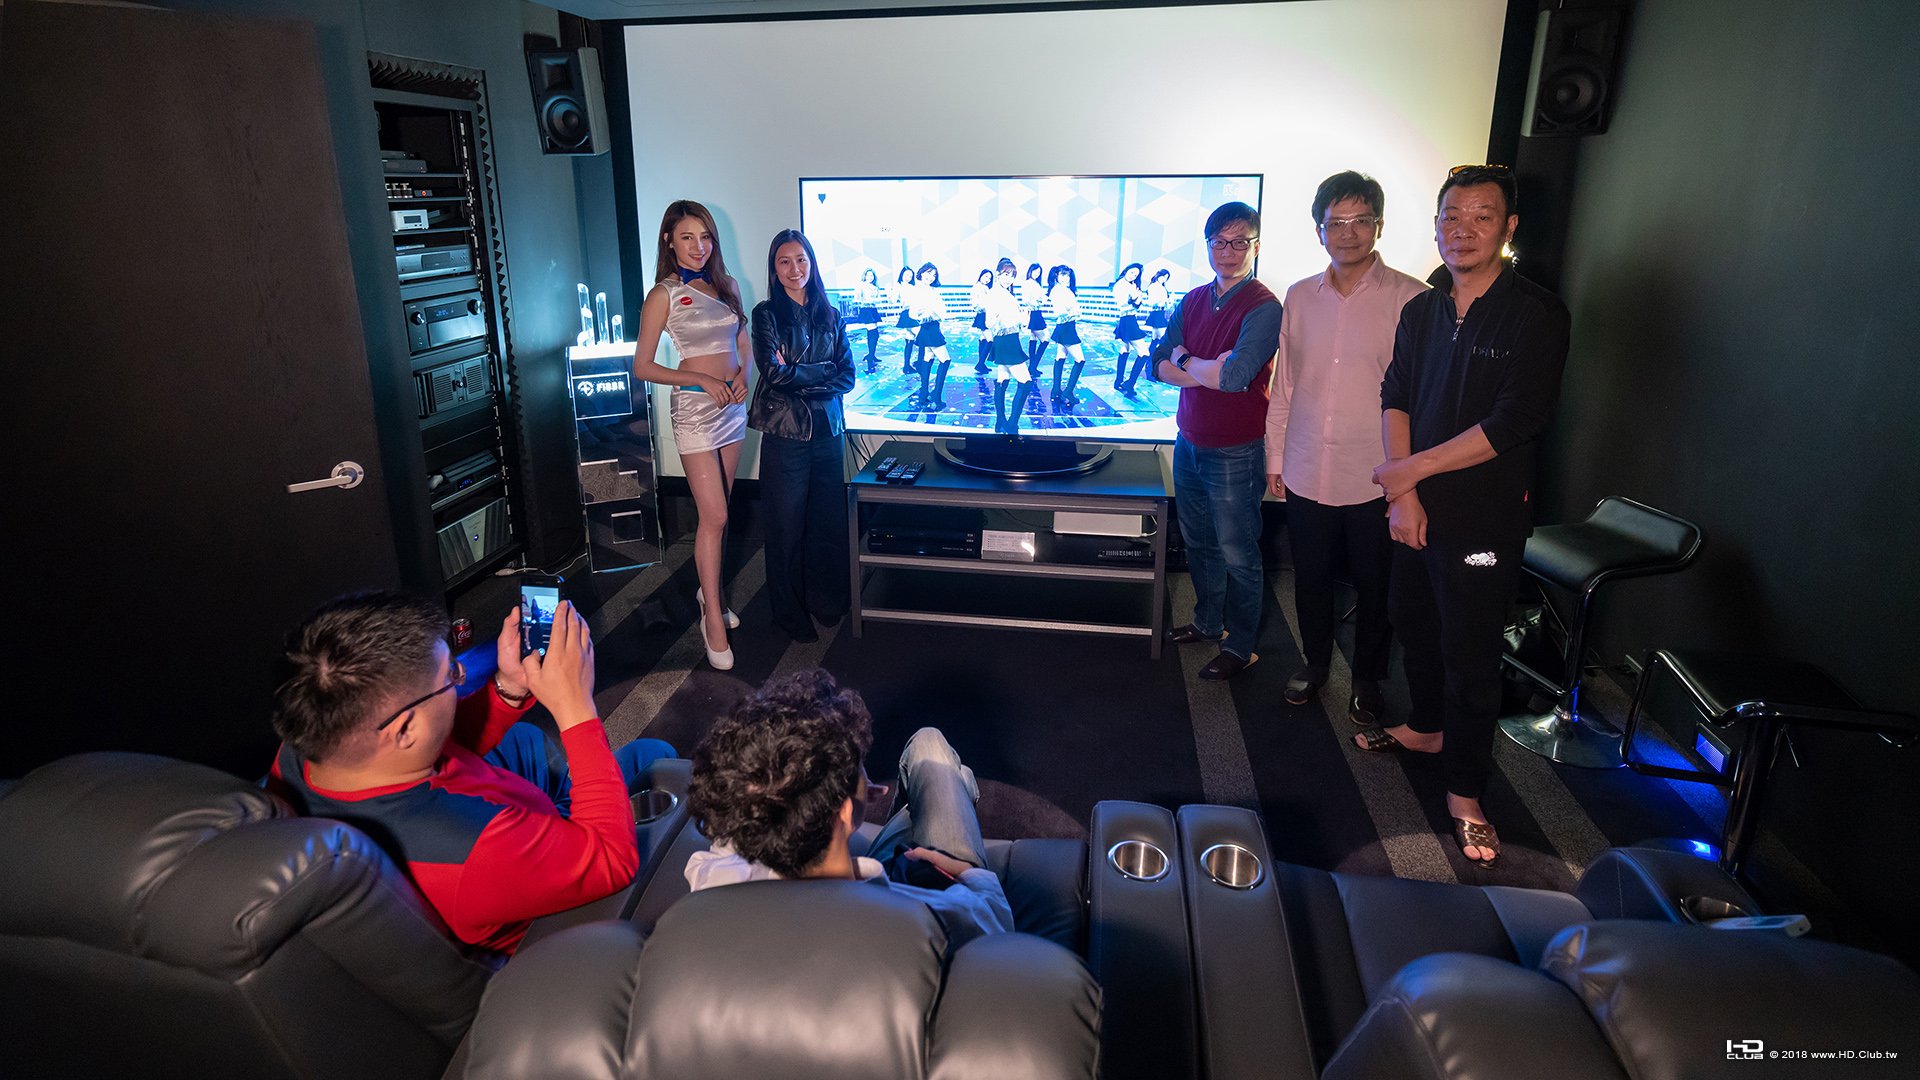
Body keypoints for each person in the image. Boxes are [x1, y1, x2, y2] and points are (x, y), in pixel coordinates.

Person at [1352, 165, 1570, 868]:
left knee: (1471, 655)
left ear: (1508, 227)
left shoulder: (1536, 312)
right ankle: (1426, 726)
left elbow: (1515, 421)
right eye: (1451, 216)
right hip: (1414, 507)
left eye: (1481, 217)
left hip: (1484, 518)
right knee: (1410, 619)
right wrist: (1404, 494)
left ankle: (1467, 792)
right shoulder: (1423, 309)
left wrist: (1408, 472)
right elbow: (1396, 395)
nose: (1463, 230)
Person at [265, 592, 675, 956]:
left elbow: (443, 737)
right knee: (655, 758)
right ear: (405, 730)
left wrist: (507, 688)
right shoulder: (472, 851)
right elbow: (613, 859)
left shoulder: (309, 749)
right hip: (545, 878)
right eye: (452, 676)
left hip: (512, 825)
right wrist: (576, 709)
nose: (461, 679)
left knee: (530, 740)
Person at [683, 669, 1013, 951]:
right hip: (921, 881)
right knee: (934, 751)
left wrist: (834, 790)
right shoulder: (925, 916)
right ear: (842, 813)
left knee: (929, 749)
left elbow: (727, 833)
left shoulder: (716, 879)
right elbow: (996, 923)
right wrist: (969, 873)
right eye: (859, 768)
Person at [1265, 171, 1428, 724]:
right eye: (1336, 222)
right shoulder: (1298, 296)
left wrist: (1409, 476)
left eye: (1360, 221)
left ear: (1379, 226)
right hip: (1307, 464)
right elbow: (1286, 384)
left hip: (1376, 473)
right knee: (1309, 577)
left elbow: (1420, 397)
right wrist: (1275, 456)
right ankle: (1314, 664)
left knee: (1376, 586)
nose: (1348, 232)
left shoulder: (1412, 298)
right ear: (1319, 230)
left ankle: (1367, 679)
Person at [1152, 201, 1283, 680]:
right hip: (1188, 440)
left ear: (1255, 246)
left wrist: (1185, 360)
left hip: (1236, 449)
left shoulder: (1265, 306)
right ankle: (1208, 623)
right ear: (1208, 245)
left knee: (1238, 553)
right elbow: (1156, 363)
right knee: (1200, 543)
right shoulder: (1191, 300)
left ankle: (1241, 646)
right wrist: (1202, 367)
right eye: (1219, 242)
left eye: (1239, 242)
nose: (1228, 251)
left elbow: (1236, 377)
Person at [632, 199, 751, 670]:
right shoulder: (662, 294)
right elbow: (643, 366)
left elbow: (741, 339)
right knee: (714, 515)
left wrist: (743, 374)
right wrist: (700, 378)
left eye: (705, 237)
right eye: (687, 237)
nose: (698, 246)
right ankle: (712, 618)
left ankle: (710, 592)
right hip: (697, 412)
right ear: (669, 240)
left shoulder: (728, 285)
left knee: (720, 513)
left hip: (732, 407)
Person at [749, 229, 856, 643]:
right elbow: (774, 374)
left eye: (801, 260)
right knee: (785, 528)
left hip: (828, 431)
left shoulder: (831, 313)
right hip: (786, 433)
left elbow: (847, 376)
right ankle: (789, 614)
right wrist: (822, 371)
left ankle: (827, 601)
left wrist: (800, 373)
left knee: (828, 522)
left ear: (811, 263)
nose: (795, 269)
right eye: (785, 262)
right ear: (774, 270)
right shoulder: (766, 315)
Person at [984, 258, 1034, 433]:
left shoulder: (1007, 294)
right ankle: (1012, 424)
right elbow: (989, 322)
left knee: (1002, 380)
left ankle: (1000, 422)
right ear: (997, 274)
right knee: (1026, 382)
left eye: (1012, 276)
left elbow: (1015, 319)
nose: (1009, 279)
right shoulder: (994, 294)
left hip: (1010, 339)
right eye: (1006, 274)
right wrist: (1002, 318)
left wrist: (1023, 320)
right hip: (1006, 341)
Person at [909, 262, 953, 411]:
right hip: (929, 328)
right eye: (928, 273)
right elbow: (913, 312)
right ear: (921, 273)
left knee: (928, 358)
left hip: (933, 326)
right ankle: (936, 395)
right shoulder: (918, 290)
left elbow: (941, 309)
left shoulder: (932, 290)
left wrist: (936, 313)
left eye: (934, 275)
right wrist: (926, 314)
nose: (931, 277)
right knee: (945, 360)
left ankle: (924, 394)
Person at [1046, 265, 1088, 407]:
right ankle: (1068, 391)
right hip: (1066, 327)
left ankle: (1056, 390)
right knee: (1080, 360)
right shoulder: (1057, 291)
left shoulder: (1063, 290)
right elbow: (1060, 312)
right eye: (1063, 275)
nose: (1066, 278)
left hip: (1066, 326)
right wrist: (1074, 313)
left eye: (1068, 275)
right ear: (1056, 275)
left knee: (1060, 356)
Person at [1110, 262, 1150, 393]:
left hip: (1128, 319)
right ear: (1126, 270)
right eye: (1132, 272)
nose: (1133, 276)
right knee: (1144, 353)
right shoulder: (1120, 285)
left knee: (1124, 350)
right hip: (1128, 320)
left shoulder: (1131, 285)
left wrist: (1136, 300)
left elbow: (1137, 305)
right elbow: (1122, 305)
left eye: (1136, 275)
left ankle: (1119, 381)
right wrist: (1135, 298)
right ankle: (1130, 383)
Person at [848, 267, 886, 373]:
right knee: (873, 332)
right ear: (865, 276)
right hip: (866, 309)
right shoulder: (861, 285)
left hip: (873, 309)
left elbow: (877, 299)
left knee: (874, 334)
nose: (870, 277)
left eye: (871, 275)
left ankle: (871, 355)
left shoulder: (875, 287)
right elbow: (857, 298)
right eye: (868, 275)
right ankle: (870, 359)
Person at [1021, 261, 1050, 381]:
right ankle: (1033, 366)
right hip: (1033, 313)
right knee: (1045, 340)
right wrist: (1037, 300)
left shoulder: (1036, 284)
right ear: (1030, 271)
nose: (1037, 274)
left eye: (1039, 272)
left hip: (1037, 312)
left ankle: (1032, 367)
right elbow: (1026, 299)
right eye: (1035, 271)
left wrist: (1041, 299)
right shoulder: (1028, 283)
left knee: (1033, 338)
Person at [891, 266, 921, 374]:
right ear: (902, 274)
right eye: (906, 275)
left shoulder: (912, 287)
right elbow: (893, 300)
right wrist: (890, 293)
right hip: (908, 312)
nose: (908, 277)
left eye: (910, 276)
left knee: (910, 339)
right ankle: (919, 363)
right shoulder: (898, 286)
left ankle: (907, 366)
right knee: (921, 336)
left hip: (914, 312)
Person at [968, 267, 995, 374]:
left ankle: (981, 364)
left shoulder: (986, 288)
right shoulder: (977, 288)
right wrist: (986, 307)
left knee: (983, 338)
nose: (987, 279)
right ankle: (980, 364)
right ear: (981, 276)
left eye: (989, 278)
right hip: (983, 315)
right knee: (990, 340)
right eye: (986, 276)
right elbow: (975, 304)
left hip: (986, 315)